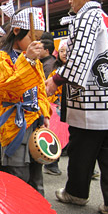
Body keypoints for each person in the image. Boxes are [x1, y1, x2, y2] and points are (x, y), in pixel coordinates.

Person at [45, 0, 108, 214]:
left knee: (82, 149)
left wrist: (56, 80)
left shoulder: (86, 17)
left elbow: (79, 59)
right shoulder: (106, 19)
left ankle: (76, 193)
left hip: (93, 100)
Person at [0, 0, 50, 196]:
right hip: (14, 121)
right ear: (17, 31)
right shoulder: (2, 58)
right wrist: (26, 60)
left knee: (37, 171)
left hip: (34, 118)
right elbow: (2, 89)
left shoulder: (35, 61)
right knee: (18, 172)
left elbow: (41, 90)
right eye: (33, 36)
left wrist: (44, 113)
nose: (37, 41)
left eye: (39, 36)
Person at [43, 39, 68, 176]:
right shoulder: (55, 72)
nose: (64, 54)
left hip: (73, 106)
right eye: (62, 51)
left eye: (67, 51)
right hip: (57, 106)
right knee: (56, 134)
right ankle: (52, 163)